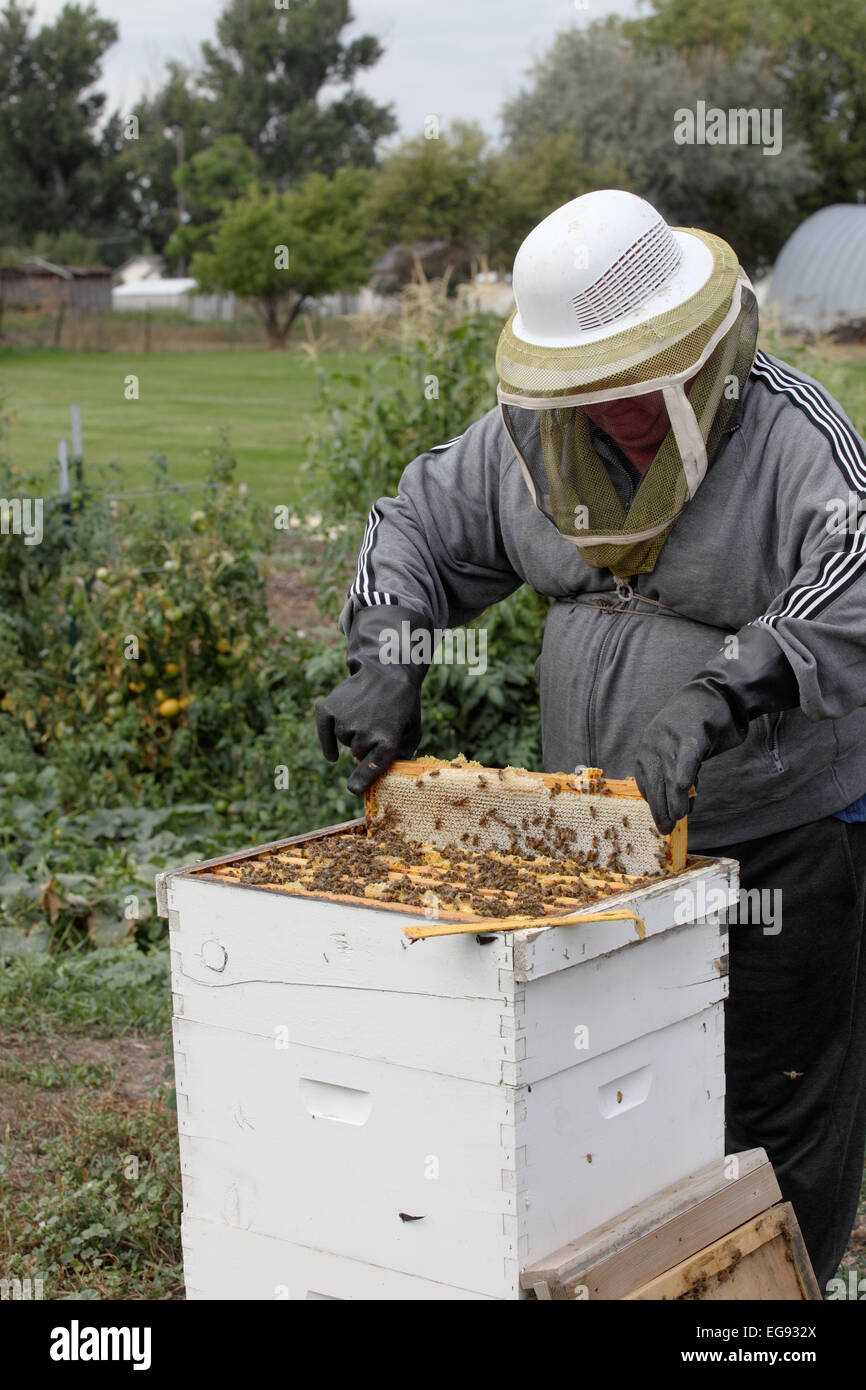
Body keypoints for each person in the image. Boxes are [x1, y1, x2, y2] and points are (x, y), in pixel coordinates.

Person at [315, 189, 866, 1293]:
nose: (609, 407)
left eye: (630, 379)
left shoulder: (793, 434)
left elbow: (855, 571)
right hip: (599, 859)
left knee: (767, 1118)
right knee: (614, 1106)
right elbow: (412, 524)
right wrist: (386, 655)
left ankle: (769, 1318)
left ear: (697, 350)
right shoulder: (527, 444)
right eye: (587, 385)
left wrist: (723, 692)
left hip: (779, 848)